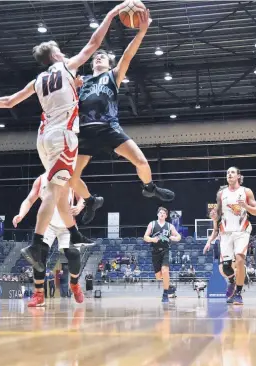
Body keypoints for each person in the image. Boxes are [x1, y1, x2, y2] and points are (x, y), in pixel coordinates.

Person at [0, 3, 128, 273]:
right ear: (56, 54)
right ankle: (36, 244)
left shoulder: (39, 79)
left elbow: (10, 101)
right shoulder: (67, 66)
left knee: (62, 186)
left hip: (43, 138)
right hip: (63, 137)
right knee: (55, 190)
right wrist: (112, 14)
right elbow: (94, 43)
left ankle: (73, 231)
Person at [72, 10, 175, 225]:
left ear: (109, 64)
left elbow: (128, 54)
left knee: (141, 162)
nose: (98, 56)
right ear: (91, 64)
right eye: (95, 57)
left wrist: (142, 31)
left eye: (103, 56)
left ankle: (150, 188)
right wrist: (73, 84)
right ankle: (91, 200)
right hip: (86, 132)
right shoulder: (82, 82)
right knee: (70, 177)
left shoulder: (113, 76)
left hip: (109, 127)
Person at [12, 173, 86, 307]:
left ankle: (74, 284)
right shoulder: (40, 180)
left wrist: (79, 206)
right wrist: (21, 214)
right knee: (39, 256)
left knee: (74, 255)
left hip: (67, 224)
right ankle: (39, 294)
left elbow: (82, 197)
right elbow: (29, 200)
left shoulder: (69, 175)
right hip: (48, 224)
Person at [208, 167, 256, 305]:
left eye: (232, 172)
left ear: (238, 176)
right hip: (225, 232)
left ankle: (238, 293)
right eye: (227, 173)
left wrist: (246, 207)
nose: (229, 174)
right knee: (226, 267)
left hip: (241, 231)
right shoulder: (221, 194)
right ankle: (232, 281)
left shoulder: (246, 191)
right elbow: (219, 212)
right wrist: (214, 215)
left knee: (240, 259)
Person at [143, 207, 181, 303]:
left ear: (166, 216)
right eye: (160, 212)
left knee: (165, 270)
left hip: (165, 250)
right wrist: (152, 239)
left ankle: (165, 294)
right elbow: (145, 237)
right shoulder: (152, 224)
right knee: (158, 276)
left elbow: (179, 236)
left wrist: (174, 238)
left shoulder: (170, 226)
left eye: (164, 213)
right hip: (155, 251)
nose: (162, 214)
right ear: (157, 214)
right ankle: (168, 285)